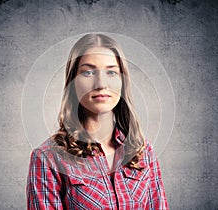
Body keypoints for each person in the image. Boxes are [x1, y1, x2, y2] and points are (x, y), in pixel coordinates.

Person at [26, 33, 168, 209]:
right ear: (72, 82)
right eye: (88, 72)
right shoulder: (48, 158)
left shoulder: (143, 151)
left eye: (111, 72)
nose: (101, 83)